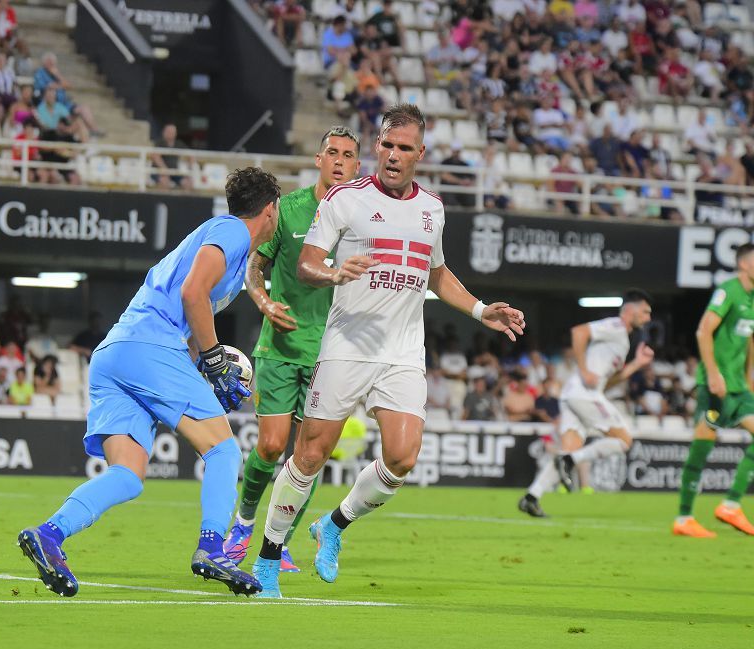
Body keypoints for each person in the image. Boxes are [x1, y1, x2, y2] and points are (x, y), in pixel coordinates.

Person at [250, 104, 526, 598]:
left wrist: (482, 310)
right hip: (346, 345)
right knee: (310, 454)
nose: (394, 156)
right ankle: (268, 558)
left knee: (402, 457)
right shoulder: (344, 199)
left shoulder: (433, 209)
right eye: (388, 146)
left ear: (420, 153)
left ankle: (334, 525)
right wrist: (336, 273)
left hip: (402, 351)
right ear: (377, 147)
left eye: (405, 148)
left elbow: (437, 273)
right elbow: (308, 264)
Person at [16, 167, 281, 598]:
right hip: (151, 347)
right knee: (224, 449)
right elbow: (192, 294)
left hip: (116, 353)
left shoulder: (219, 242)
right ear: (270, 210)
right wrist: (216, 360)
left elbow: (193, 314)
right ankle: (212, 549)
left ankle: (49, 534)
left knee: (128, 475)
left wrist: (204, 362)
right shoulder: (232, 232)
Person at [222, 126, 361, 574]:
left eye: (348, 155)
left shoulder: (364, 220)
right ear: (318, 160)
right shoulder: (289, 211)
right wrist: (263, 302)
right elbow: (254, 267)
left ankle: (276, 542)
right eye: (332, 153)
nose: (340, 161)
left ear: (358, 167)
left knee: (308, 456)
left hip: (333, 356)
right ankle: (243, 522)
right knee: (270, 444)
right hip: (281, 346)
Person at [518, 289, 653, 518]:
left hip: (576, 394)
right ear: (630, 310)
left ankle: (531, 497)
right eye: (645, 311)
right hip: (584, 395)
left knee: (568, 449)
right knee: (623, 440)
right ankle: (571, 460)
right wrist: (582, 369)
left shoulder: (622, 340)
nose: (648, 317)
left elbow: (608, 382)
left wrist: (637, 364)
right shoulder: (616, 326)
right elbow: (579, 332)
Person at [673, 244, 754, 538]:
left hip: (738, 387)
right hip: (715, 384)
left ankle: (731, 504)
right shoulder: (728, 291)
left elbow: (750, 340)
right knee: (703, 443)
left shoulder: (753, 297)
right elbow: (703, 331)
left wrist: (749, 379)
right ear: (744, 265)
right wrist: (714, 374)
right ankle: (684, 518)